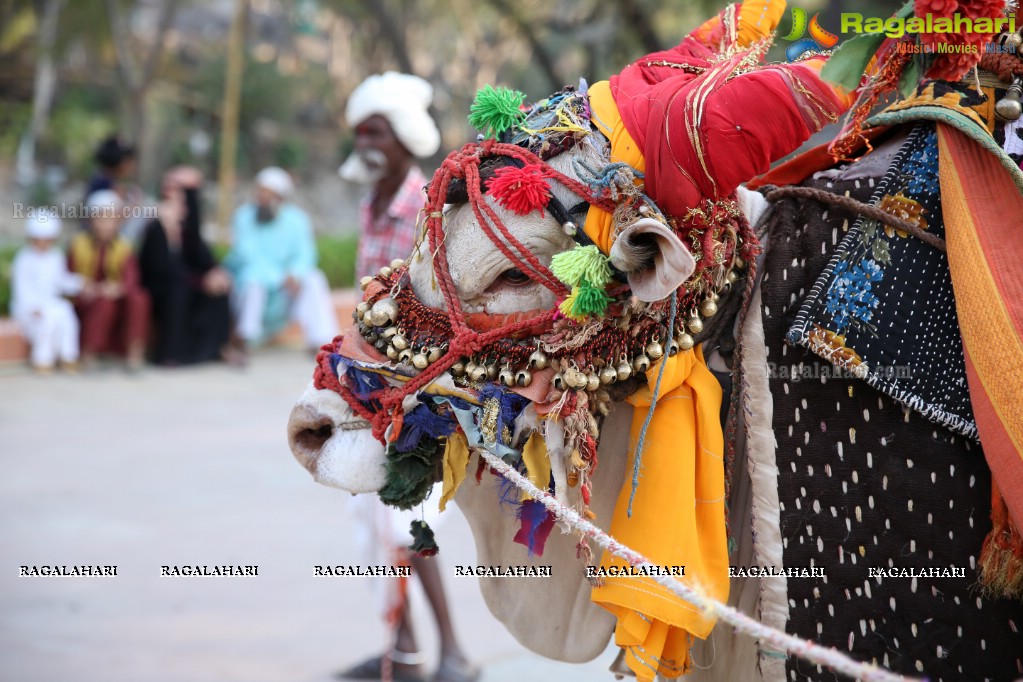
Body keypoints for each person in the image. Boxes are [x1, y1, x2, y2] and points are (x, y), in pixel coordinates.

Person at [336, 72, 478, 682]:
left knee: (406, 522)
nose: (367, 142)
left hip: (420, 392)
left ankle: (453, 655)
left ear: (404, 140)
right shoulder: (373, 203)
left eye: (378, 131)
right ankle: (405, 652)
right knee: (373, 526)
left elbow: (446, 305)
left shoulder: (430, 206)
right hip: (367, 389)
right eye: (361, 131)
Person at [225, 167, 338, 358]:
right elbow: (247, 255)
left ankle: (321, 341)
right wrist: (279, 277)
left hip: (286, 290)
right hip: (255, 282)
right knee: (253, 280)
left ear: (281, 198)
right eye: (259, 192)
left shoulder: (297, 220)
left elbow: (306, 253)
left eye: (267, 194)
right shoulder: (244, 216)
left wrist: (295, 273)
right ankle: (245, 339)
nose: (261, 198)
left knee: (314, 278)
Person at [138, 166, 235, 366]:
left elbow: (201, 257)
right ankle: (171, 353)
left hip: (187, 281)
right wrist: (201, 281)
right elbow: (161, 269)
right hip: (162, 284)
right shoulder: (156, 225)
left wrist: (215, 273)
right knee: (177, 292)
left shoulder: (187, 227)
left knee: (220, 287)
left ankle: (218, 348)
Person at [69, 190, 150, 371]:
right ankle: (88, 354)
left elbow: (131, 279)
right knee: (104, 303)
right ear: (92, 220)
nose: (106, 225)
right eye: (101, 219)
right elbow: (68, 276)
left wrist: (118, 288)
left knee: (139, 298)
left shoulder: (124, 247)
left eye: (111, 219)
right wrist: (84, 286)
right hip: (86, 299)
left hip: (114, 296)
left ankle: (134, 353)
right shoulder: (78, 244)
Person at [10, 211, 83, 373]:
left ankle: (68, 356)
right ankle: (42, 359)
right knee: (47, 321)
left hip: (50, 303)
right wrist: (31, 307)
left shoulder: (56, 256)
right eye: (39, 239)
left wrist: (79, 283)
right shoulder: (23, 259)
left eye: (47, 239)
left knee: (66, 312)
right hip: (29, 307)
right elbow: (21, 289)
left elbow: (62, 280)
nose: (43, 243)